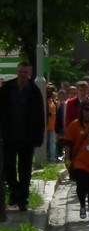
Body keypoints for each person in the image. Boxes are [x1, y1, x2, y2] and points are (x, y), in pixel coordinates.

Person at [0, 61, 45, 212]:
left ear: (30, 73)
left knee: (25, 169)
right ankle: (14, 191)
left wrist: (39, 137)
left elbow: (40, 115)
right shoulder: (7, 88)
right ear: (17, 71)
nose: (23, 75)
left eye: (25, 72)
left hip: (27, 137)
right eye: (20, 72)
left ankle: (22, 199)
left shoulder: (34, 90)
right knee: (8, 167)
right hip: (9, 135)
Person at [45, 84, 58, 161]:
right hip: (46, 126)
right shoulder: (44, 101)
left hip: (52, 125)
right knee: (45, 142)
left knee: (52, 142)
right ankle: (46, 156)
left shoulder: (53, 101)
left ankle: (52, 156)